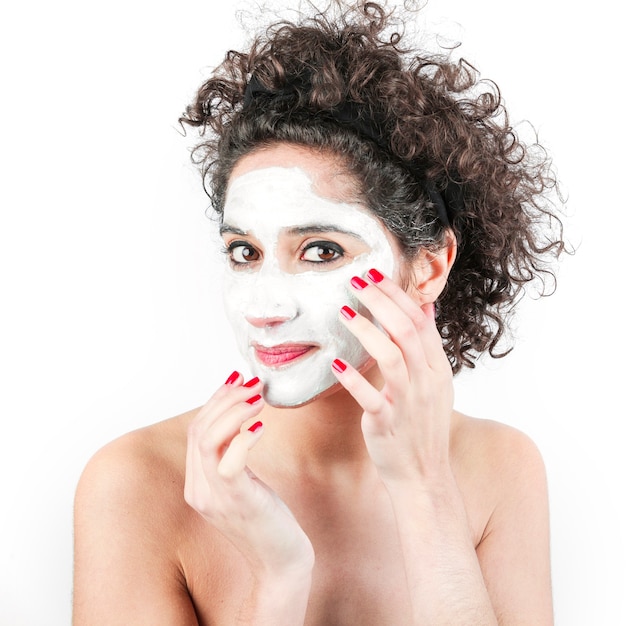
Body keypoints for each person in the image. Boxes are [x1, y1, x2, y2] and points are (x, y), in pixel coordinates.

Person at [73, 2, 565, 623]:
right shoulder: (138, 482)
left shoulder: (500, 470)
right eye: (244, 252)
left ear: (429, 267)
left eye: (320, 250)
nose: (265, 304)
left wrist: (426, 492)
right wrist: (280, 579)